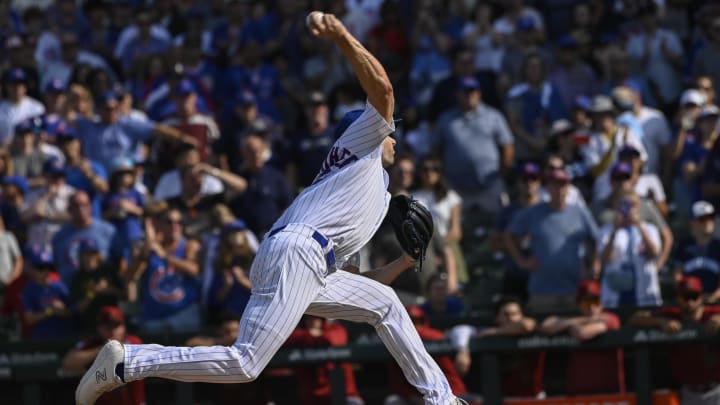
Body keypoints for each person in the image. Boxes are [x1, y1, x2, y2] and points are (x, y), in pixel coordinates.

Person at [76, 12, 466, 405]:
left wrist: (404, 260)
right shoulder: (359, 147)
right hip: (298, 253)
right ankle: (129, 361)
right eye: (389, 127)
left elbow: (361, 285)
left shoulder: (366, 191)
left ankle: (443, 400)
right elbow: (382, 88)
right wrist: (342, 35)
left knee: (385, 306)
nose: (394, 134)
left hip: (304, 260)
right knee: (245, 364)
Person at [504, 167, 599, 313]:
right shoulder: (533, 213)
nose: (559, 190)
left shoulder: (579, 212)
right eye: (555, 185)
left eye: (563, 185)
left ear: (568, 188)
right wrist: (522, 262)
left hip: (575, 289)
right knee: (542, 331)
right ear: (547, 188)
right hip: (542, 290)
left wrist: (593, 263)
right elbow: (509, 236)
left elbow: (595, 239)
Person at [628, 276, 720, 405]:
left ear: (701, 297)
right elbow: (634, 319)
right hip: (688, 392)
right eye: (685, 297)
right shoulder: (672, 314)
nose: (690, 302)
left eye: (694, 296)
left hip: (716, 390)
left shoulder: (714, 313)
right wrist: (661, 322)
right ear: (678, 298)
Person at [539, 280, 625, 395]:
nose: (592, 307)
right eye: (586, 302)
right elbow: (546, 326)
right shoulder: (575, 320)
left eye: (595, 301)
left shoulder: (611, 318)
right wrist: (581, 321)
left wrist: (568, 325)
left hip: (609, 393)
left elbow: (582, 333)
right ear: (579, 304)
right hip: (578, 393)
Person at [449, 296, 543, 399]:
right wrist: (463, 350)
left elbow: (526, 326)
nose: (511, 318)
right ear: (497, 318)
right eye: (506, 314)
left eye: (515, 314)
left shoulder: (529, 330)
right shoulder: (487, 334)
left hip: (532, 400)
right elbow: (460, 329)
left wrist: (496, 332)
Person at [62, 306, 145, 405]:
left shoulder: (132, 341)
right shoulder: (92, 344)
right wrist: (103, 349)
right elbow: (68, 363)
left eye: (116, 326)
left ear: (123, 327)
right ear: (99, 328)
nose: (112, 331)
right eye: (107, 327)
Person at [598, 191, 662, 308]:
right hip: (615, 295)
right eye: (625, 205)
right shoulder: (606, 231)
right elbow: (605, 259)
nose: (629, 209)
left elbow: (654, 253)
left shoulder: (650, 229)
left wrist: (639, 226)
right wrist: (615, 231)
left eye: (633, 205)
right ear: (616, 206)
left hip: (644, 294)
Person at [673, 201, 720, 301]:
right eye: (703, 219)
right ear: (693, 222)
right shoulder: (683, 246)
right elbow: (678, 275)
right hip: (690, 301)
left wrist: (714, 296)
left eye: (711, 218)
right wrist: (687, 296)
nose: (708, 222)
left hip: (715, 303)